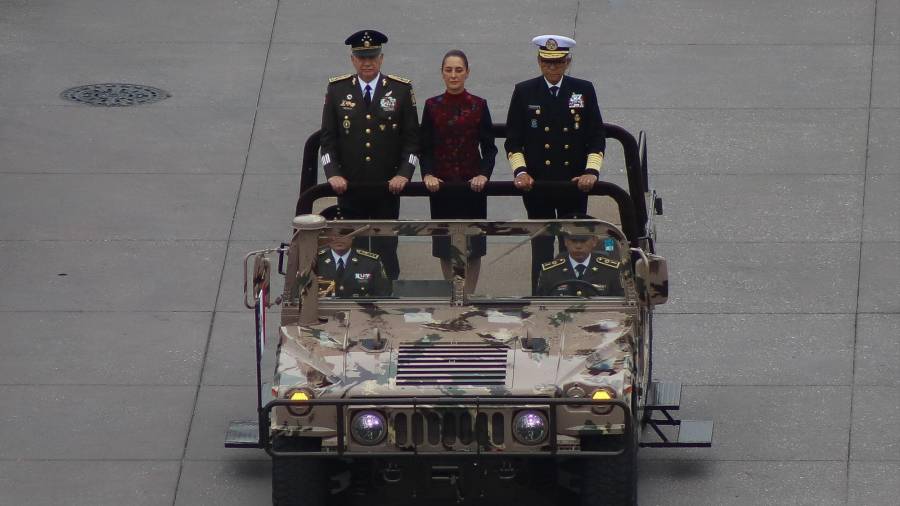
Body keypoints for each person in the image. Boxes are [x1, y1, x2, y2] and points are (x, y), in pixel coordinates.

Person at [504, 35, 606, 293]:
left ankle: (574, 297)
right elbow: (513, 141)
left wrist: (591, 171)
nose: (552, 68)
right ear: (539, 62)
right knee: (541, 247)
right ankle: (540, 298)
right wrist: (521, 171)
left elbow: (596, 137)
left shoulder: (583, 90)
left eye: (558, 63)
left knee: (573, 244)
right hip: (538, 185)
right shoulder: (525, 91)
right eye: (547, 63)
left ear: (567, 62)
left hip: (573, 184)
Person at [319, 29, 419, 280]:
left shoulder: (400, 90)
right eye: (361, 57)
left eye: (372, 57)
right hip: (350, 188)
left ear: (381, 59)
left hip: (387, 188)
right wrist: (332, 174)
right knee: (355, 244)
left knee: (386, 245)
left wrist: (404, 174)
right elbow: (327, 141)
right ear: (353, 60)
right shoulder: (337, 90)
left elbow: (412, 142)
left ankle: (389, 291)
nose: (367, 63)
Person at [420, 49, 498, 293]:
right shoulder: (431, 106)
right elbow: (425, 147)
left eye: (458, 70)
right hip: (441, 187)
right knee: (445, 245)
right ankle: (451, 293)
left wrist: (484, 174)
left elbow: (489, 148)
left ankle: (470, 297)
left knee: (473, 246)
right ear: (442, 73)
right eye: (448, 70)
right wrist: (428, 174)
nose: (453, 75)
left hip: (471, 187)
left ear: (467, 72)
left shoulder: (478, 105)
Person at [316, 206, 390, 298]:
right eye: (332, 233)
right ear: (325, 236)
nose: (338, 238)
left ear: (353, 235)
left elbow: (383, 296)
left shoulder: (370, 262)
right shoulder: (315, 261)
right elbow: (300, 295)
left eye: (344, 233)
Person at [535, 230, 623, 297]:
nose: (578, 246)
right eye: (573, 241)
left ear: (594, 241)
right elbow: (540, 307)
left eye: (583, 241)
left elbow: (622, 307)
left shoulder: (611, 271)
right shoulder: (550, 271)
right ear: (565, 241)